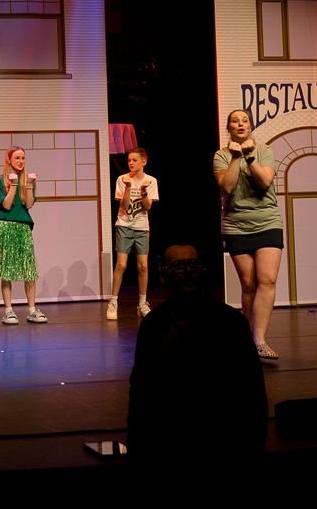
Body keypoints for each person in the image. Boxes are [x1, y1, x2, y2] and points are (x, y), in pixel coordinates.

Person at [127, 243, 268, 469]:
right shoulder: (153, 326)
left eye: (192, 265)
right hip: (168, 447)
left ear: (203, 270)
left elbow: (252, 391)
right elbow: (141, 393)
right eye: (179, 266)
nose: (187, 272)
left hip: (225, 446)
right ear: (163, 275)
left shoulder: (231, 323)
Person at [213, 109, 283, 360]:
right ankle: (248, 337)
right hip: (236, 225)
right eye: (235, 121)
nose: (240, 124)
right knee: (248, 283)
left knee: (268, 279)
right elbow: (227, 186)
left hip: (267, 221)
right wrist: (235, 158)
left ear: (251, 126)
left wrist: (250, 157)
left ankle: (259, 339)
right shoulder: (221, 155)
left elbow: (265, 182)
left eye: (245, 121)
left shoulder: (264, 150)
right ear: (229, 127)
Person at [0, 147, 47, 324]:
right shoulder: (0, 180)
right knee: (6, 269)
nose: (21, 161)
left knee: (29, 269)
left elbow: (28, 204)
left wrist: (29, 184)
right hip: (5, 226)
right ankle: (9, 310)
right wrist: (13, 185)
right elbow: (6, 205)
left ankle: (32, 310)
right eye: (17, 158)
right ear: (9, 160)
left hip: (23, 227)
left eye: (23, 158)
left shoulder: (28, 180)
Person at [108, 147, 159, 320]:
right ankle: (113, 302)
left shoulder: (151, 181)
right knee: (121, 265)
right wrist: (128, 187)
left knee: (143, 266)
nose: (130, 163)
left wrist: (143, 191)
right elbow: (124, 205)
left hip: (142, 227)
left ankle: (142, 303)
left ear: (143, 162)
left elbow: (147, 206)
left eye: (134, 160)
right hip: (124, 225)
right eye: (129, 160)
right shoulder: (122, 179)